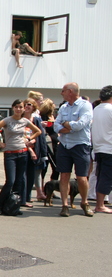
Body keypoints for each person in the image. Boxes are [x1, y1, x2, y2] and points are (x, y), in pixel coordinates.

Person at [0, 100, 41, 215]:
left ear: (23, 109)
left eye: (20, 107)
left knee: (19, 181)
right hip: (10, 153)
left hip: (22, 152)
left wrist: (29, 139)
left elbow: (38, 131)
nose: (18, 109)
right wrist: (0, 143)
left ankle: (14, 206)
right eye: (16, 107)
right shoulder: (7, 120)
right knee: (10, 181)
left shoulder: (25, 121)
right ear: (13, 108)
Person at [53, 83, 94, 217]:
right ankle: (65, 205)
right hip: (64, 145)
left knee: (81, 177)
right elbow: (55, 125)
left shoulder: (85, 105)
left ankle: (84, 202)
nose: (61, 93)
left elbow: (80, 125)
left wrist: (65, 125)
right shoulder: (64, 107)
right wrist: (68, 126)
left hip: (80, 145)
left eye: (63, 91)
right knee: (64, 176)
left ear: (70, 91)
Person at [22, 98, 48, 202]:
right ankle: (21, 197)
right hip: (22, 149)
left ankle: (27, 197)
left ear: (33, 107)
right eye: (24, 104)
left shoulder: (36, 120)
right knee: (21, 175)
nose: (26, 106)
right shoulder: (19, 119)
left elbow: (40, 135)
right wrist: (29, 147)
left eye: (29, 104)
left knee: (31, 175)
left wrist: (33, 143)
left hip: (34, 150)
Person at [92, 85, 112, 213]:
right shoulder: (110, 109)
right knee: (106, 177)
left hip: (98, 147)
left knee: (100, 175)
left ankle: (100, 203)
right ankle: (100, 205)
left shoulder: (96, 109)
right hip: (109, 148)